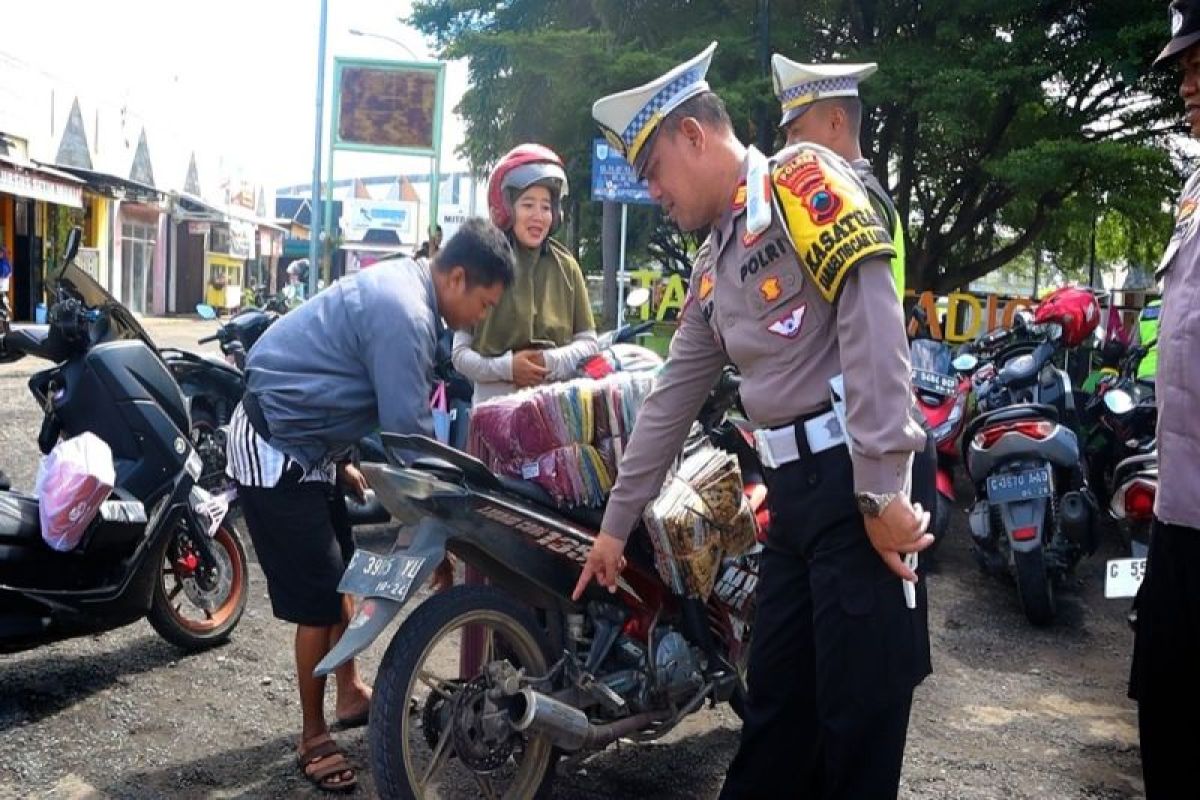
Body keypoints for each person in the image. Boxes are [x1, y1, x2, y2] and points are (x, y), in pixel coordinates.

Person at [578, 42, 932, 798]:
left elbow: (876, 328)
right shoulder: (714, 261)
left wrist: (879, 490)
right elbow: (673, 394)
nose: (654, 194)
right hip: (798, 498)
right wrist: (615, 525)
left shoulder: (804, 183)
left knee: (855, 728)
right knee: (776, 714)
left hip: (855, 481)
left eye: (654, 173)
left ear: (695, 137)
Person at [225, 218, 513, 793]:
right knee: (318, 602)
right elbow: (408, 441)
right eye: (483, 304)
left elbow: (343, 375)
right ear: (456, 277)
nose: (480, 319)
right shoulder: (405, 315)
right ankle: (312, 736)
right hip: (275, 446)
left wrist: (343, 459)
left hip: (315, 448)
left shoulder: (409, 291)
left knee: (344, 572)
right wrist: (438, 535)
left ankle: (350, 692)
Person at [772, 54, 940, 555]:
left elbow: (864, 334)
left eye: (796, 132)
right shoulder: (871, 196)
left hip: (859, 437)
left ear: (836, 121)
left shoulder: (848, 202)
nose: (786, 151)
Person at [1130, 4, 1200, 795]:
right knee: (1167, 721)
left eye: (1197, 66)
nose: (1185, 83)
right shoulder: (1195, 184)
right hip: (1182, 515)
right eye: (1183, 67)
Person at [452, 143, 598, 404]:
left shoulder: (567, 267)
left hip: (554, 413)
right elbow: (460, 354)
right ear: (507, 209)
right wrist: (507, 368)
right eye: (528, 205)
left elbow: (588, 343)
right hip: (493, 415)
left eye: (545, 207)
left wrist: (549, 361)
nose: (538, 216)